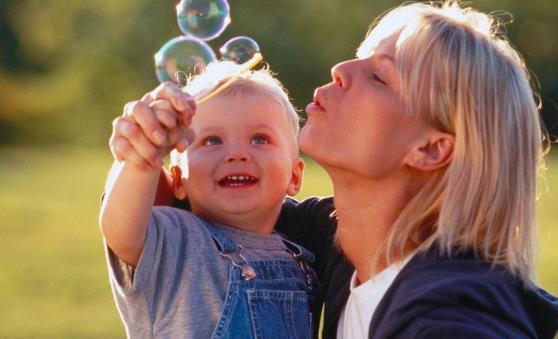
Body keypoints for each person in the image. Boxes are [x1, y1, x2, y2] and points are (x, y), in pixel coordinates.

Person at [109, 2, 558, 338]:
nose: (340, 68)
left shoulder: (450, 324)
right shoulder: (333, 243)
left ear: (429, 148)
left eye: (380, 76)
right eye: (356, 57)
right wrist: (140, 163)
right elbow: (155, 227)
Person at [99, 61, 321, 339]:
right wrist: (142, 160)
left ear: (294, 177)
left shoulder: (302, 257)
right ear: (178, 180)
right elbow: (121, 231)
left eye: (259, 139)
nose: (237, 154)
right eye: (213, 141)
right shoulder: (176, 239)